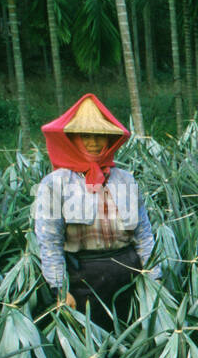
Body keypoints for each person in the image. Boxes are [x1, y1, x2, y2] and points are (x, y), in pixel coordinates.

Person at [33, 94, 159, 330]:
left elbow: (144, 234)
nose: (93, 142)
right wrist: (60, 290)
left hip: (128, 275)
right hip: (83, 279)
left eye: (99, 135)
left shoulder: (125, 179)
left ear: (109, 139)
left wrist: (154, 277)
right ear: (72, 139)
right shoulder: (55, 183)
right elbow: (49, 242)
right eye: (86, 136)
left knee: (133, 339)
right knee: (92, 348)